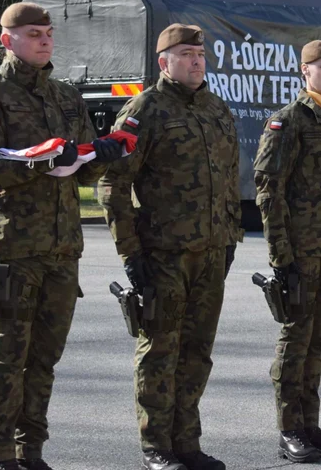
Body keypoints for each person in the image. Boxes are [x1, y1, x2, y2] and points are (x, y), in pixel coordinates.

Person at [0, 2, 126, 470]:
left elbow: (79, 169)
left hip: (61, 247)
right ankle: (0, 451)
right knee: (7, 356)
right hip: (12, 244)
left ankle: (31, 449)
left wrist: (101, 154)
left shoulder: (65, 96)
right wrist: (39, 159)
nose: (44, 40)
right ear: (7, 40)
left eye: (49, 33)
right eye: (34, 33)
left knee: (45, 359)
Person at [98, 23, 240, 470]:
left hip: (211, 251)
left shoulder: (217, 109)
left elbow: (231, 180)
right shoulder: (145, 110)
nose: (196, 60)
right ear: (164, 62)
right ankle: (156, 445)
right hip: (164, 254)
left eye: (200, 53)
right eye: (185, 54)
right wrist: (130, 253)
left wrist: (231, 237)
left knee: (198, 351)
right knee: (160, 350)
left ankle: (187, 442)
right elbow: (113, 183)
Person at [255, 39, 321, 463]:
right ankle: (289, 429)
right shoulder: (290, 121)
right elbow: (269, 191)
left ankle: (310, 425)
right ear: (305, 71)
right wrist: (282, 258)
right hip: (300, 252)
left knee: (317, 343)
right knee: (294, 341)